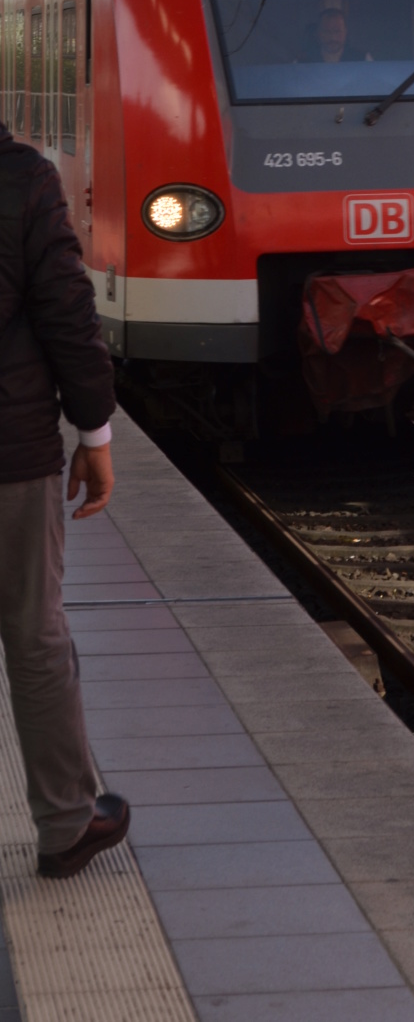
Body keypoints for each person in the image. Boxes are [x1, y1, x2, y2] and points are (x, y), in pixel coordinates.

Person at [0, 118, 129, 879]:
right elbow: (66, 312)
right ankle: (66, 823)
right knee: (35, 636)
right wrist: (95, 429)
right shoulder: (23, 180)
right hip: (10, 456)